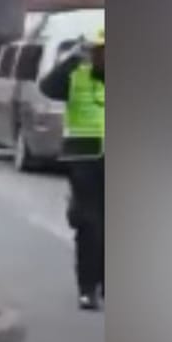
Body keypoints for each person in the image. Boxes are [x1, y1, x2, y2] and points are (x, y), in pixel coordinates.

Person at [39, 27, 105, 310]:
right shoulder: (76, 76)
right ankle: (88, 288)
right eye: (100, 51)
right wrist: (71, 57)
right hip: (85, 161)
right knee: (89, 224)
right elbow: (48, 87)